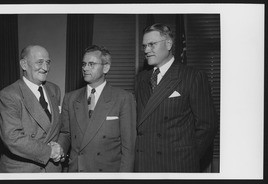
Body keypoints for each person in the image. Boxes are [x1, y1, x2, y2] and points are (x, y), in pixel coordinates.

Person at [135, 23, 218, 172]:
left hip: (176, 165)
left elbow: (207, 126)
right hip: (144, 165)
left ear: (168, 44)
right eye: (144, 46)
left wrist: (187, 155)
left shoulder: (192, 76)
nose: (146, 50)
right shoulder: (141, 78)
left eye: (152, 44)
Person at [59, 45, 136, 172]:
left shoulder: (123, 98)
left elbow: (128, 147)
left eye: (91, 64)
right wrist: (58, 148)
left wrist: (124, 178)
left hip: (107, 173)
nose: (85, 68)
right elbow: (66, 134)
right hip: (78, 171)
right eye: (84, 64)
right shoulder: (70, 98)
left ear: (106, 67)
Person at [0, 45, 66, 172]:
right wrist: (50, 151)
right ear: (24, 64)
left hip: (52, 170)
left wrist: (59, 150)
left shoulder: (55, 90)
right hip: (22, 171)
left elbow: (60, 129)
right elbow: (13, 138)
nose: (45, 68)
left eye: (48, 62)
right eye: (39, 62)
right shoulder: (8, 95)